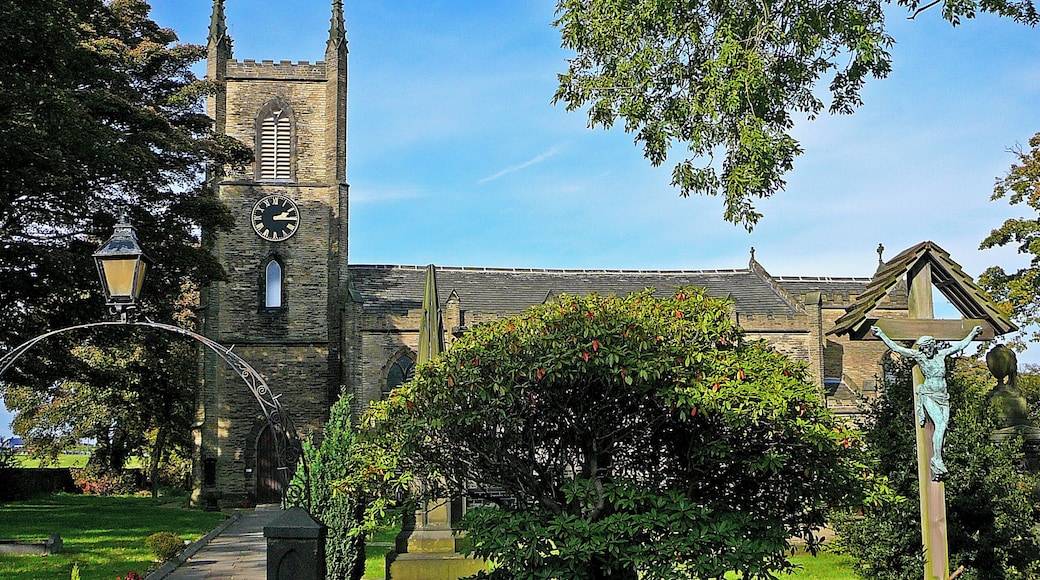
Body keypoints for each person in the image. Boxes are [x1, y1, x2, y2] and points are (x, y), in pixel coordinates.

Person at [870, 325, 983, 480]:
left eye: (927, 348)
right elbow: (897, 348)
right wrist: (882, 334)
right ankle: (937, 459)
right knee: (941, 425)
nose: (925, 351)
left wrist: (972, 333)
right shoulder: (920, 357)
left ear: (932, 346)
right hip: (929, 394)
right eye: (923, 348)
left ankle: (938, 456)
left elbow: (960, 345)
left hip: (943, 396)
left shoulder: (941, 355)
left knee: (944, 427)